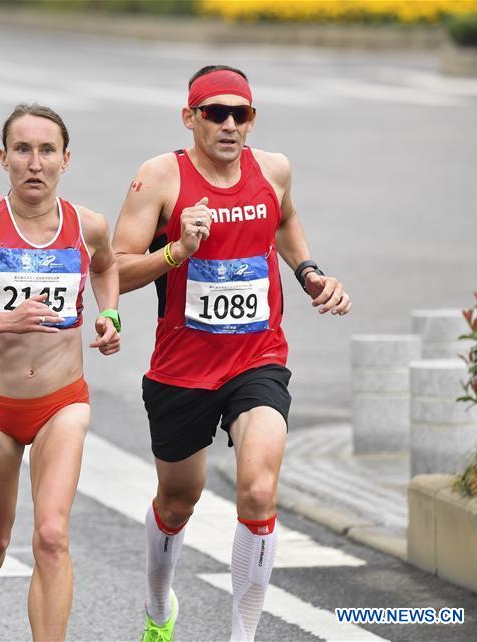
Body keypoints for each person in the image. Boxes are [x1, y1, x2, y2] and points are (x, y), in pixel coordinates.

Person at [111, 65, 352, 642]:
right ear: (189, 117)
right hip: (182, 368)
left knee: (259, 490)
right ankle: (158, 606)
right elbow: (114, 269)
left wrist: (309, 272)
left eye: (238, 114)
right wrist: (176, 251)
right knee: (178, 502)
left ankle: (242, 635)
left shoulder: (273, 169)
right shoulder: (159, 178)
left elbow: (284, 219)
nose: (227, 124)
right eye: (213, 113)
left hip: (256, 358)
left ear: (251, 119)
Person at [0, 103, 121, 642]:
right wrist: (3, 320)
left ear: (65, 159)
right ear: (4, 157)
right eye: (23, 150)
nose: (35, 163)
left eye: (47, 150)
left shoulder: (88, 226)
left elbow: (106, 267)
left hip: (62, 402)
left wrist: (110, 315)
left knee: (52, 535)